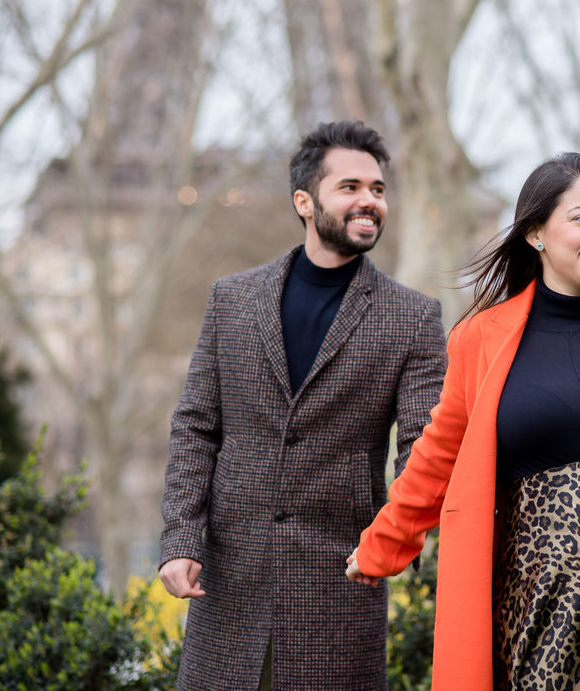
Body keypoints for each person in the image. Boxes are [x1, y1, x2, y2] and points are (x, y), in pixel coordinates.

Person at [346, 153, 580, 691]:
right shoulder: (480, 339)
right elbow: (437, 458)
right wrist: (382, 545)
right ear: (535, 234)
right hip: (537, 605)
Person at [159, 120, 446, 691]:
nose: (369, 200)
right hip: (228, 582)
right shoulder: (232, 299)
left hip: (341, 587)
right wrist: (180, 539)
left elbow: (424, 448)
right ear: (305, 202)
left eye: (378, 189)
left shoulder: (413, 317)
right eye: (350, 187)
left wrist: (393, 541)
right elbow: (195, 428)